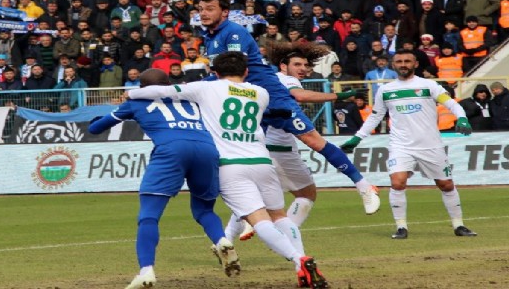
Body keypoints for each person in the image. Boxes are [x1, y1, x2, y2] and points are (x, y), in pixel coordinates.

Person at [128, 54, 329, 288]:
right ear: (245, 72)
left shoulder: (207, 88)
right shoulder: (260, 92)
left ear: (215, 72)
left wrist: (131, 94)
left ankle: (300, 259)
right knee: (279, 215)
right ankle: (300, 264)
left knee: (258, 220)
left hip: (230, 165)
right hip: (262, 160)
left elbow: (161, 92)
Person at [197, 0, 380, 215]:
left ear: (224, 12)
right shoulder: (209, 37)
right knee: (244, 149)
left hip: (272, 97)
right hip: (251, 101)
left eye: (210, 9)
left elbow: (234, 69)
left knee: (314, 141)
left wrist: (196, 87)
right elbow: (220, 74)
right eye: (201, 9)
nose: (203, 14)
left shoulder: (233, 32)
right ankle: (249, 213)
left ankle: (364, 186)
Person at [89, 69, 238, 289]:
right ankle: (221, 240)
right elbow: (211, 86)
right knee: (204, 210)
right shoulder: (190, 97)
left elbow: (95, 128)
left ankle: (146, 271)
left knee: (149, 216)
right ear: (167, 84)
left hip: (170, 150)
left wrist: (100, 117)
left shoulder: (135, 103)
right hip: (207, 150)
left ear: (142, 88)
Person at [339, 49, 477, 239]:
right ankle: (401, 227)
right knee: (397, 182)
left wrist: (462, 118)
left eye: (407, 61)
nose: (403, 64)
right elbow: (375, 116)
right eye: (399, 61)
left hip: (431, 145)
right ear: (393, 65)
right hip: (401, 146)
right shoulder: (386, 90)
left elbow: (451, 103)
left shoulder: (429, 85)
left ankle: (459, 225)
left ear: (415, 64)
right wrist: (357, 138)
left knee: (445, 184)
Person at [230, 45, 360, 241]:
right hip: (281, 151)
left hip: (257, 148)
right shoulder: (285, 80)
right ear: (283, 66)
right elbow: (301, 95)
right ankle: (283, 238)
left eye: (306, 66)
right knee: (307, 193)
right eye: (297, 64)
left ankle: (226, 239)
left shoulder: (263, 81)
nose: (303, 69)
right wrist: (340, 95)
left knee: (254, 197)